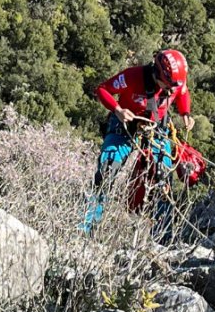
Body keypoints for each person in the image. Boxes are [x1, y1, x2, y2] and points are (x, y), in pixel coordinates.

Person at [83, 49, 195, 230]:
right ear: (157, 73)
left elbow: (182, 92)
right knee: (107, 169)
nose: (170, 90)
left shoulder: (174, 83)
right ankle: (88, 225)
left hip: (156, 127)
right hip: (126, 124)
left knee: (162, 177)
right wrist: (117, 110)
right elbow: (103, 90)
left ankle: (160, 233)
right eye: (167, 86)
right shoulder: (132, 77)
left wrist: (185, 112)